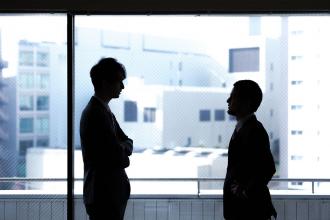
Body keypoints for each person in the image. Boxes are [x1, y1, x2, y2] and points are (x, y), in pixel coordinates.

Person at [80, 57, 133, 220]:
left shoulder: (102, 111)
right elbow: (118, 157)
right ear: (105, 82)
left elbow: (127, 141)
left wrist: (122, 148)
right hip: (104, 196)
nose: (122, 87)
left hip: (105, 195)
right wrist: (124, 151)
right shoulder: (97, 114)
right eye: (119, 81)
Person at [223, 80, 277, 220]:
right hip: (243, 209)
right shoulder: (245, 129)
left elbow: (268, 167)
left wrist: (246, 191)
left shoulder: (255, 131)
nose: (228, 100)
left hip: (250, 211)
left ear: (246, 102)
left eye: (233, 96)